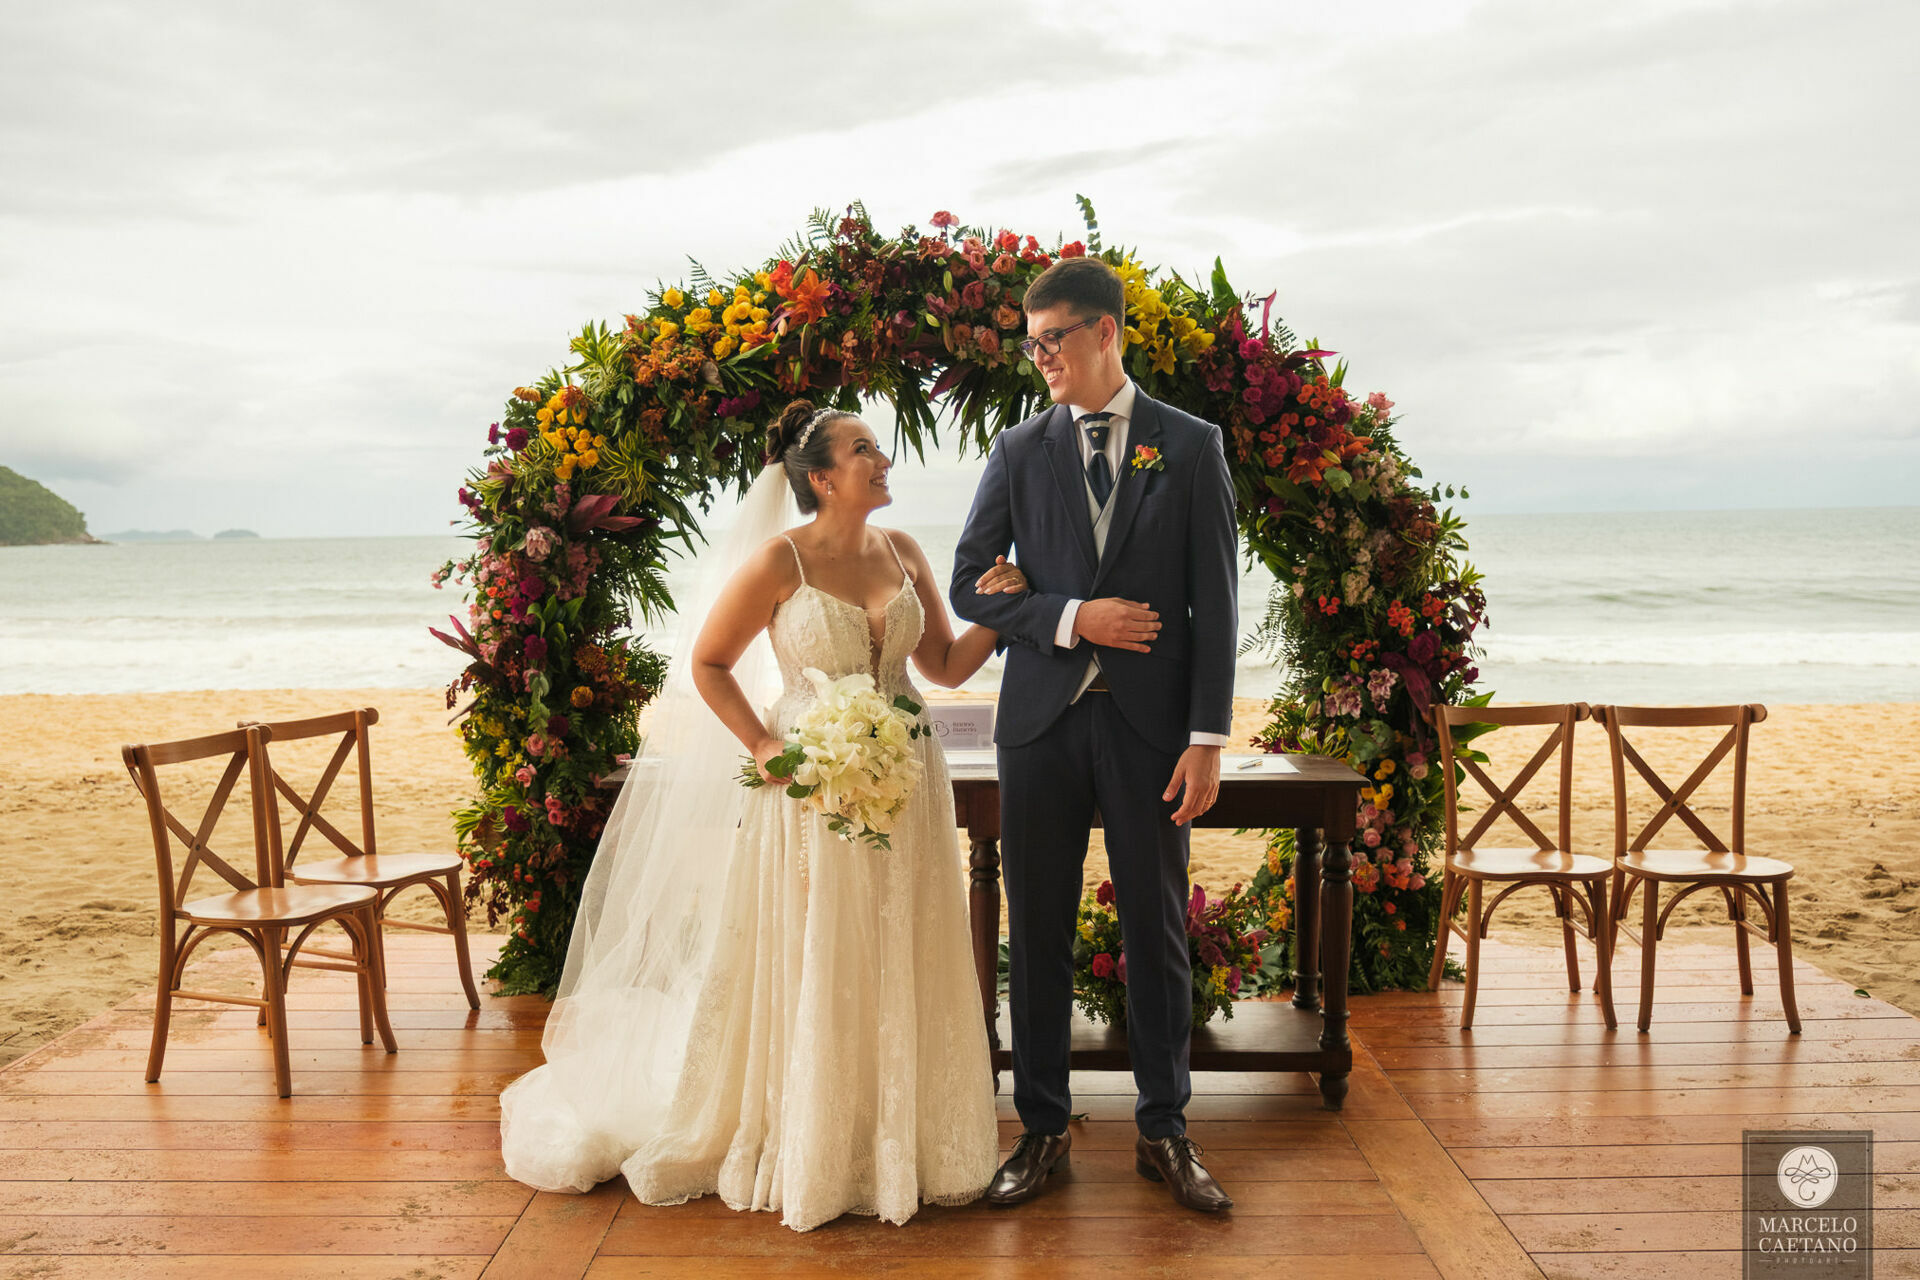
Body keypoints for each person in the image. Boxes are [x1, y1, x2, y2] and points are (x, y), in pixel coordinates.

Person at [500, 399, 1027, 1232]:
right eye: (864, 451)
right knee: (823, 942)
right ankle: (815, 1138)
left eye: (879, 448)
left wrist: (1002, 610)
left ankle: (906, 1139)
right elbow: (710, 664)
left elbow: (946, 666)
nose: (882, 461)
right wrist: (760, 747)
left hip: (909, 778)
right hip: (812, 782)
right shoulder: (779, 562)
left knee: (906, 938)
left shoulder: (906, 551)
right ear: (821, 477)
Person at [950, 255, 1240, 1213]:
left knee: (1155, 928)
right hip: (1037, 725)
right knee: (1035, 928)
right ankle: (1042, 1132)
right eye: (1031, 345)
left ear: (1106, 332)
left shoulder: (1191, 448)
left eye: (1053, 340)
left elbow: (1214, 606)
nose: (1039, 360)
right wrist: (1075, 616)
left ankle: (1166, 1131)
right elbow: (968, 584)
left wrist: (1207, 737)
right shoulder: (1017, 450)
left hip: (1154, 730)